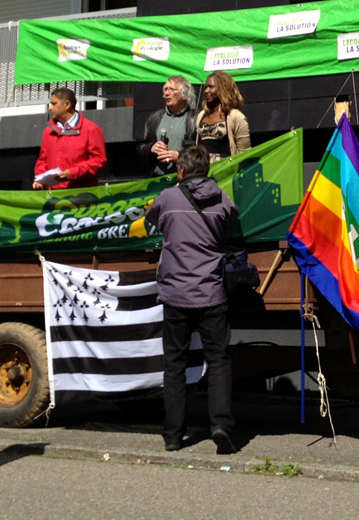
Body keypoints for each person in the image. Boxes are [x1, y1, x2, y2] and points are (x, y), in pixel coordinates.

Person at [144, 146, 241, 454]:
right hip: (211, 292)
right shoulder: (222, 199)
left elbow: (152, 220)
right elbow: (231, 223)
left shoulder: (168, 198)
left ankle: (173, 436)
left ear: (181, 171)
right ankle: (221, 425)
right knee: (219, 361)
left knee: (174, 365)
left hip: (175, 294)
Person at [33, 87, 107, 190]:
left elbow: (98, 161)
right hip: (53, 198)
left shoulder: (91, 129)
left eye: (54, 104)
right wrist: (40, 180)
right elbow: (42, 161)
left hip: (80, 197)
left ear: (67, 104)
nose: (50, 108)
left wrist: (72, 173)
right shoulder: (48, 132)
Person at [138, 76, 198, 177]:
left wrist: (180, 157)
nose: (166, 93)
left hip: (184, 179)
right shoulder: (154, 118)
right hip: (156, 180)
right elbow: (140, 147)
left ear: (185, 95)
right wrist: (150, 148)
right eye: (165, 89)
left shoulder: (195, 119)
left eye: (172, 90)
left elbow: (201, 152)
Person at [195, 71, 251, 162]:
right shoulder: (201, 115)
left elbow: (244, 153)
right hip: (203, 173)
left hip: (226, 173)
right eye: (205, 87)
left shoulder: (236, 117)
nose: (206, 91)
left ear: (223, 89)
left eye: (211, 87)